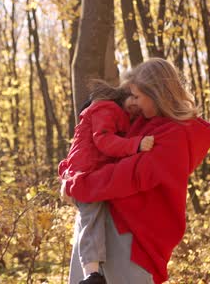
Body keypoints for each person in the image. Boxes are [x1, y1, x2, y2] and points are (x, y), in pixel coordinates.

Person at [61, 58, 210, 284]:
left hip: (131, 239)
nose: (133, 102)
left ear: (157, 94)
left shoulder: (175, 135)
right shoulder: (140, 120)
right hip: (99, 226)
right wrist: (68, 173)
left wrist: (78, 186)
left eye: (137, 96)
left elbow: (130, 175)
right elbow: (92, 148)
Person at [58, 80, 155, 284]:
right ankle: (91, 274)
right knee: (91, 218)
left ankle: (93, 272)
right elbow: (103, 141)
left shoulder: (119, 115)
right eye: (133, 98)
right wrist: (135, 145)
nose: (135, 106)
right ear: (122, 94)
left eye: (139, 105)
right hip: (84, 174)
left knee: (97, 218)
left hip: (93, 174)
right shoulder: (106, 108)